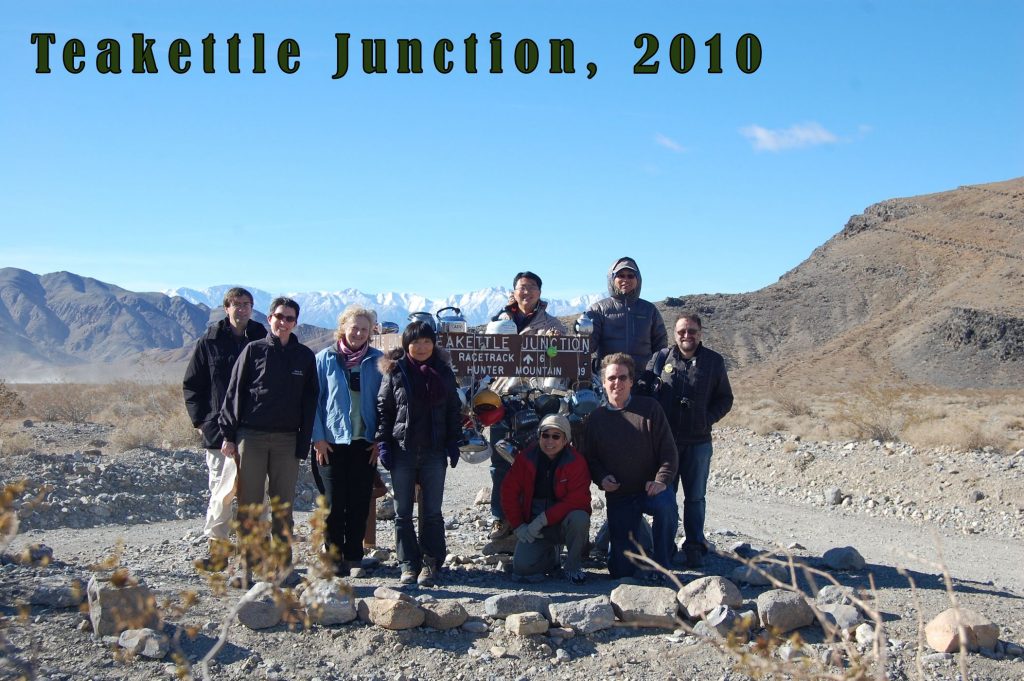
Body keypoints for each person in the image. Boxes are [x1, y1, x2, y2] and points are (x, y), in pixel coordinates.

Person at [219, 297, 318, 581]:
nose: (283, 322)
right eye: (279, 316)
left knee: (283, 507)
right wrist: (228, 434)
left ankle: (284, 567)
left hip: (287, 440)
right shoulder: (253, 351)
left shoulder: (304, 356)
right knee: (249, 505)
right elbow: (234, 394)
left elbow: (310, 402)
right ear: (269, 319)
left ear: (295, 322)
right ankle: (247, 568)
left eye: (289, 318)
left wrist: (303, 442)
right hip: (251, 437)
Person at [182, 286, 268, 570]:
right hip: (219, 431)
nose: (242, 309)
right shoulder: (209, 341)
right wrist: (201, 422)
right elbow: (193, 386)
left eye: (247, 304)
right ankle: (218, 554)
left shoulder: (262, 337)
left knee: (257, 493)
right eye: (236, 304)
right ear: (226, 307)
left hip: (256, 429)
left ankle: (256, 553)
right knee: (221, 493)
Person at [642, 313, 733, 568]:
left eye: (692, 331)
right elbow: (643, 389)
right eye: (682, 331)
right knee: (666, 497)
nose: (686, 335)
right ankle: (665, 546)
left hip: (698, 442)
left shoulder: (713, 362)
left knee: (695, 498)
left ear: (700, 333)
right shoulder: (661, 359)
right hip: (665, 443)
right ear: (675, 333)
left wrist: (707, 419)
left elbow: (725, 398)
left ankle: (694, 545)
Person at [375, 320, 462, 587]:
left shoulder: (443, 372)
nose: (422, 347)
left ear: (434, 343)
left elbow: (452, 410)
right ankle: (407, 563)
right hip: (403, 450)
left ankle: (430, 562)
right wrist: (383, 443)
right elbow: (384, 409)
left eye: (427, 341)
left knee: (432, 511)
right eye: (416, 342)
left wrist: (452, 442)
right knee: (402, 512)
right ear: (406, 344)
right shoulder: (396, 371)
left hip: (434, 452)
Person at [486, 271, 568, 540]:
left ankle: (532, 516)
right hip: (502, 397)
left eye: (532, 288)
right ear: (514, 291)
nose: (527, 292)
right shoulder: (499, 321)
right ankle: (500, 517)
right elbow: (485, 356)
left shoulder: (553, 324)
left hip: (535, 400)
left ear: (540, 293)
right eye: (522, 287)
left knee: (535, 461)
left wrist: (554, 344)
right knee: (500, 461)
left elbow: (558, 359)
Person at [583, 353, 678, 580]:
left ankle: (662, 566)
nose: (618, 383)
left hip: (650, 489)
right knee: (620, 571)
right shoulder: (596, 419)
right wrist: (602, 478)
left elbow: (669, 453)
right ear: (604, 383)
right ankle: (630, 549)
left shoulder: (650, 409)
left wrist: (661, 480)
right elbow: (591, 458)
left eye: (623, 377)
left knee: (666, 506)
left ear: (631, 381)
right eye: (612, 378)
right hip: (620, 496)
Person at [311, 305, 384, 578]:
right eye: (354, 327)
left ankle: (354, 557)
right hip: (330, 442)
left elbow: (386, 403)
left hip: (365, 442)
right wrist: (317, 437)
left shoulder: (379, 360)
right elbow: (314, 402)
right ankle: (332, 557)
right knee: (332, 503)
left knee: (359, 501)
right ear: (343, 328)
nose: (359, 333)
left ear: (371, 332)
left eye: (365, 329)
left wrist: (380, 440)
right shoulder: (324, 359)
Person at [500, 414, 591, 584]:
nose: (550, 441)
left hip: (563, 523)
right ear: (539, 436)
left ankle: (572, 567)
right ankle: (552, 558)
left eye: (556, 436)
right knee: (522, 569)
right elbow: (508, 491)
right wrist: (519, 525)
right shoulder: (525, 458)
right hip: (533, 526)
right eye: (545, 435)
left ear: (565, 439)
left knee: (580, 518)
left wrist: (543, 519)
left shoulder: (576, 461)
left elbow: (578, 500)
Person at [586, 256, 668, 370]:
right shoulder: (598, 310)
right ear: (612, 279)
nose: (626, 279)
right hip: (611, 380)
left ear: (637, 279)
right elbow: (587, 347)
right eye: (620, 275)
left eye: (630, 276)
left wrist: (653, 374)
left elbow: (661, 348)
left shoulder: (650, 310)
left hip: (643, 379)